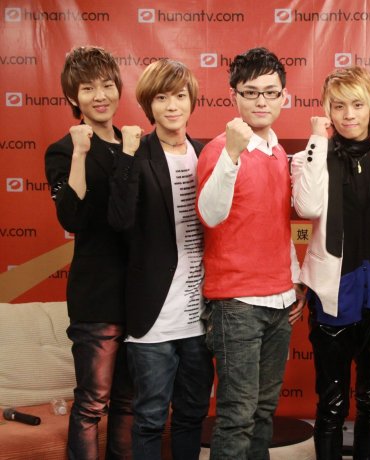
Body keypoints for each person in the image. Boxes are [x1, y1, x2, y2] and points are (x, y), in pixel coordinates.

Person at [291, 66, 370, 459]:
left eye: (357, 105)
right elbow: (306, 207)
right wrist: (316, 139)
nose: (348, 115)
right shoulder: (309, 157)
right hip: (333, 295)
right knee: (332, 403)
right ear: (327, 110)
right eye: (338, 106)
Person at [196, 47, 304, 460]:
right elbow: (210, 215)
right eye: (251, 92)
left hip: (279, 301)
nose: (262, 101)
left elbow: (278, 227)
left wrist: (293, 283)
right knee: (237, 416)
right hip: (236, 305)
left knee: (262, 412)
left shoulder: (278, 154)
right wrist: (232, 153)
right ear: (234, 96)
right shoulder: (218, 150)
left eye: (271, 92)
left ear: (283, 97)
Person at [108, 59, 214, 460]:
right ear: (148, 105)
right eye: (162, 98)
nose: (172, 106)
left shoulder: (207, 153)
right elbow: (119, 220)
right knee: (150, 418)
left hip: (199, 317)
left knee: (191, 415)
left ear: (192, 101)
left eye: (180, 96)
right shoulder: (137, 153)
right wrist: (126, 156)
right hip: (153, 318)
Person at [44, 45, 133, 460]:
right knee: (92, 403)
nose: (100, 96)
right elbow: (72, 217)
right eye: (88, 88)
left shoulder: (133, 143)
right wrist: (80, 152)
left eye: (107, 85)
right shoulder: (63, 150)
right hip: (96, 298)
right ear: (72, 97)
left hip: (139, 297)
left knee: (129, 403)